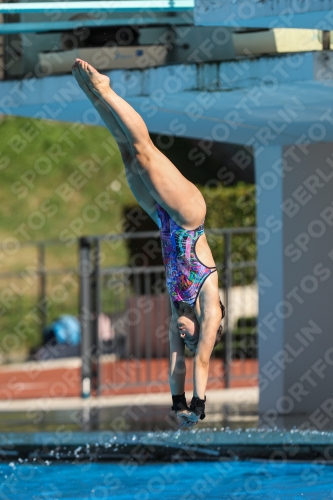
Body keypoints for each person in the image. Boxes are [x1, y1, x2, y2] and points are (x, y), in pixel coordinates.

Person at [72, 59, 225, 428]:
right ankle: (106, 88)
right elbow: (200, 361)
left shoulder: (178, 312)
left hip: (163, 218)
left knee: (127, 156)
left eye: (183, 339)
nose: (184, 340)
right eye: (191, 339)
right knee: (144, 152)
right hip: (188, 215)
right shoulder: (210, 310)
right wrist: (197, 405)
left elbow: (178, 365)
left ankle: (95, 96)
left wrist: (177, 404)